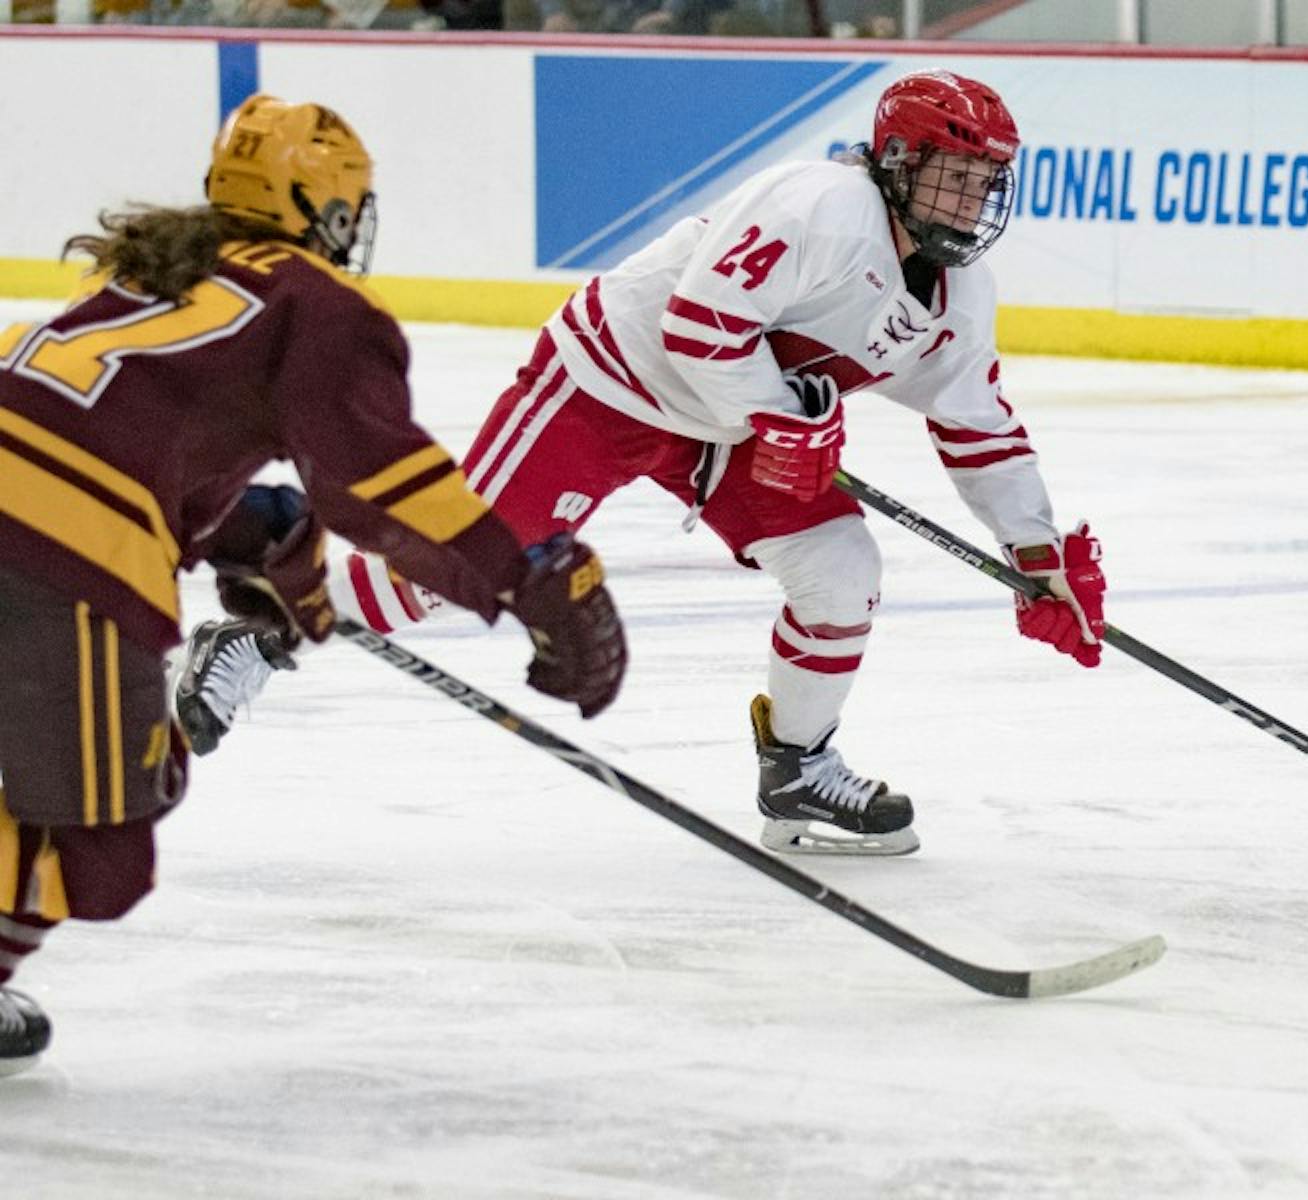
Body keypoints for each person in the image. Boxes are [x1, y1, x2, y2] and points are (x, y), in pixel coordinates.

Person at [177, 69, 1108, 860]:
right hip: (610, 381)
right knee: (456, 572)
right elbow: (698, 325)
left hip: (729, 427)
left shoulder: (958, 294)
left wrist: (1035, 555)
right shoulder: (820, 206)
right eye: (955, 178)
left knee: (842, 570)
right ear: (899, 166)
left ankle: (798, 767)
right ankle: (261, 629)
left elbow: (978, 423)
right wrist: (785, 421)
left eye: (988, 182)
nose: (974, 202)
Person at [0, 94, 629, 1076]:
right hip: (53, 545)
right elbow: (378, 484)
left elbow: (149, 442)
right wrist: (518, 583)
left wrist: (273, 543)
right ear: (324, 209)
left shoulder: (165, 264)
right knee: (93, 820)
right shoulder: (318, 304)